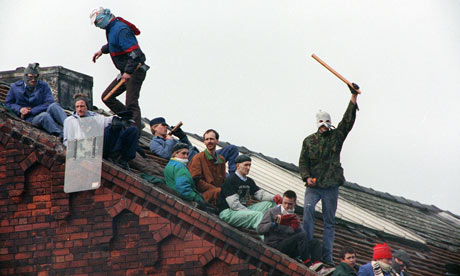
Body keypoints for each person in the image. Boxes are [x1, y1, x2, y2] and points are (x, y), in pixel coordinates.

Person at [299, 83, 360, 266]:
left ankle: (327, 256)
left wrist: (353, 98)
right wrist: (306, 177)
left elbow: (347, 122)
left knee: (329, 222)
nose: (324, 125)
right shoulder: (309, 141)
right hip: (314, 186)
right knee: (307, 213)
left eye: (326, 121)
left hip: (331, 186)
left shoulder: (336, 136)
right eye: (320, 121)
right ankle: (307, 251)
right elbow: (303, 162)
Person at [90, 7, 149, 132]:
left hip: (135, 69)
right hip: (126, 71)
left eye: (97, 22)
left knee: (131, 102)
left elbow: (135, 53)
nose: (98, 26)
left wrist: (128, 72)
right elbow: (114, 43)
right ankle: (131, 120)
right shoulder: (112, 29)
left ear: (105, 17)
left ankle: (134, 132)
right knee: (107, 97)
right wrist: (102, 50)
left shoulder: (121, 29)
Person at [257, 190, 334, 275]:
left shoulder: (294, 217)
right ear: (282, 201)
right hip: (274, 245)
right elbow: (259, 229)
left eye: (290, 204)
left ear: (294, 204)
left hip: (289, 247)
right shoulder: (272, 212)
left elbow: (302, 237)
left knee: (315, 243)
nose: (286, 206)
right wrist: (274, 224)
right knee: (301, 236)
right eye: (285, 203)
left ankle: (318, 266)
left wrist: (296, 228)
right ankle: (308, 264)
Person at [63, 94, 139, 171]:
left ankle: (122, 159)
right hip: (87, 148)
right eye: (77, 107)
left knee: (131, 130)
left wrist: (116, 119)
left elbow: (107, 120)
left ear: (87, 107)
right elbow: (66, 141)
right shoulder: (70, 121)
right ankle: (113, 155)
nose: (79, 109)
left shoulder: (94, 116)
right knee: (108, 129)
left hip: (100, 144)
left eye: (82, 106)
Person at [149, 117, 238, 172]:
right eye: (163, 125)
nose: (166, 127)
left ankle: (233, 173)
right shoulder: (155, 143)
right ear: (155, 127)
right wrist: (169, 141)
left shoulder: (171, 139)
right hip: (196, 164)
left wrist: (182, 136)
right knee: (226, 179)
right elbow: (165, 154)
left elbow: (189, 147)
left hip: (202, 156)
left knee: (232, 149)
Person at [217, 154, 281, 230]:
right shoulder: (230, 180)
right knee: (257, 215)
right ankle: (267, 237)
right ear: (238, 166)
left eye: (249, 165)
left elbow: (260, 195)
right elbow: (234, 204)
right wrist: (250, 212)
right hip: (228, 212)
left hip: (243, 210)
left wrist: (274, 197)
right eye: (246, 165)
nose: (248, 168)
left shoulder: (249, 181)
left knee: (271, 204)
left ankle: (275, 226)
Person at [5, 63, 67, 138]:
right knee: (44, 116)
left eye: (35, 77)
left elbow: (50, 102)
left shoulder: (43, 86)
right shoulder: (15, 87)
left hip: (40, 110)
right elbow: (8, 103)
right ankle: (62, 135)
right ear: (25, 76)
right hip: (30, 118)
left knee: (54, 106)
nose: (33, 80)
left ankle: (70, 126)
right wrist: (20, 109)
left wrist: (32, 111)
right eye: (30, 77)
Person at [188, 129, 238, 204]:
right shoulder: (198, 157)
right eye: (207, 139)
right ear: (204, 142)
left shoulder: (221, 159)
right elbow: (195, 180)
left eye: (211, 139)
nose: (209, 141)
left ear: (217, 141)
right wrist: (216, 189)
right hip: (202, 194)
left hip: (217, 193)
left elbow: (223, 180)